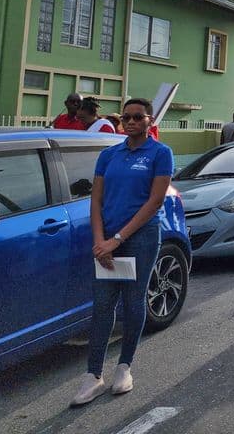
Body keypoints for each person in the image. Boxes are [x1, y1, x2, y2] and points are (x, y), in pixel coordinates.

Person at [70, 98, 173, 406]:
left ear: (149, 121)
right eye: (126, 117)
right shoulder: (109, 154)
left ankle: (124, 367)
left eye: (137, 117)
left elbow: (154, 201)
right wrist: (100, 240)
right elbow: (96, 200)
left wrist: (117, 239)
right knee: (102, 305)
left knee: (133, 300)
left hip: (140, 238)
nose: (130, 122)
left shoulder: (160, 153)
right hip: (107, 240)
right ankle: (93, 376)